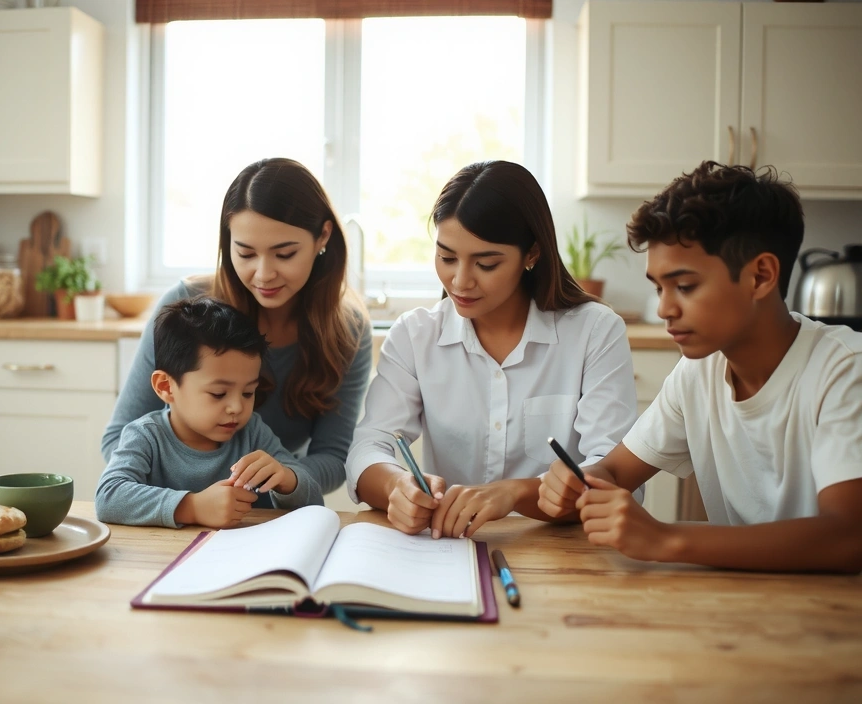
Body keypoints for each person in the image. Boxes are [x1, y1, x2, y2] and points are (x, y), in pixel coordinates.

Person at [537, 161, 862, 574]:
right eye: (659, 287)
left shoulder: (845, 370)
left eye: (685, 286)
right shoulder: (699, 371)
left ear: (760, 276)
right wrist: (581, 481)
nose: (664, 309)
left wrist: (665, 538)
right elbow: (616, 470)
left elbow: (848, 537)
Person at [346, 160, 638, 539]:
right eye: (447, 257)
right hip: (450, 547)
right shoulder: (415, 335)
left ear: (532, 254)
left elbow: (613, 474)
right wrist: (396, 486)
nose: (460, 281)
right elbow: (369, 446)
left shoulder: (594, 331)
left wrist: (515, 493)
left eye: (485, 264)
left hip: (563, 548)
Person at [102, 158, 372, 498]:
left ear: (323, 237)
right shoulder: (187, 306)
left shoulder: (348, 330)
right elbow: (118, 441)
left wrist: (286, 475)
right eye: (245, 253)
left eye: (285, 254)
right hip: (172, 515)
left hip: (266, 513)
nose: (264, 274)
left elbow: (333, 458)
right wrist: (191, 503)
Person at [95, 297, 322, 528]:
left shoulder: (252, 432)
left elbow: (315, 501)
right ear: (166, 387)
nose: (237, 407)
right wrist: (192, 507)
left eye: (248, 393)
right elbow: (108, 497)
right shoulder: (146, 436)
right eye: (218, 393)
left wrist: (287, 479)